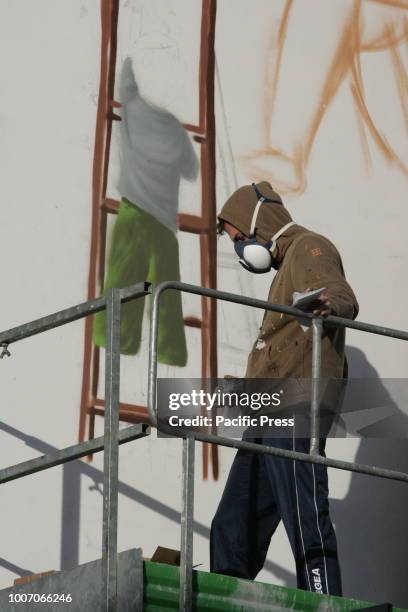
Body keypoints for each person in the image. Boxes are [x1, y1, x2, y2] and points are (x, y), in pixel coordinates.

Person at [210, 181, 359, 596]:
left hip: (296, 404)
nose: (241, 251)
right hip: (268, 409)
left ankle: (325, 598)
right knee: (235, 518)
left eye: (240, 238)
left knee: (303, 508)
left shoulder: (310, 247)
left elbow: (339, 293)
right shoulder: (286, 267)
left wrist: (329, 303)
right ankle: (223, 594)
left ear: (259, 225)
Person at [93, 57, 198, 365]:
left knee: (120, 287)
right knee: (166, 294)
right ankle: (169, 352)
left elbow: (126, 82)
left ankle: (117, 342)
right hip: (165, 223)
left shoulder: (132, 109)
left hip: (134, 214)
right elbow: (192, 170)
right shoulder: (176, 129)